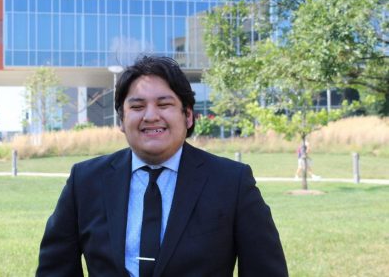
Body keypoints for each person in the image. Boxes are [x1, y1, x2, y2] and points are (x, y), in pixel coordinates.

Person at [36, 56, 288, 276]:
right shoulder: (85, 181)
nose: (150, 116)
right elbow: (55, 270)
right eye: (137, 106)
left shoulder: (232, 183)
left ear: (188, 116)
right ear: (122, 120)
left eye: (164, 104)